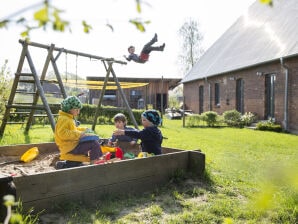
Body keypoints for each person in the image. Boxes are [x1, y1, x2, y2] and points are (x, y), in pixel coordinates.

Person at [54, 96, 102, 166]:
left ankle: (73, 163)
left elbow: (73, 130)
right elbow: (62, 133)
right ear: (70, 109)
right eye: (77, 110)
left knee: (89, 143)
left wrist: (84, 130)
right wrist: (80, 134)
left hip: (71, 145)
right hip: (70, 147)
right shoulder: (64, 119)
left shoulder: (67, 118)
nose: (78, 112)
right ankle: (93, 164)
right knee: (94, 144)